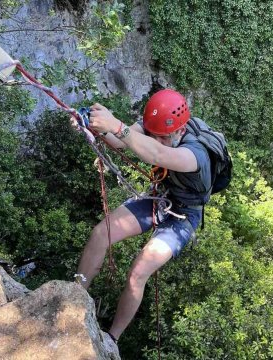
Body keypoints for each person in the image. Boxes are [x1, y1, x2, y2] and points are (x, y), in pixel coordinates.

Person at [75, 89, 212, 343]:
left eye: (162, 137)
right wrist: (97, 126)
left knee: (138, 273)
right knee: (100, 234)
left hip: (182, 216)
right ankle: (73, 297)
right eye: (153, 135)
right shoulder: (158, 127)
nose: (155, 140)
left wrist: (116, 125)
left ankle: (112, 338)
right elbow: (120, 140)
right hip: (160, 197)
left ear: (180, 131)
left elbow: (157, 155)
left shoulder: (194, 155)